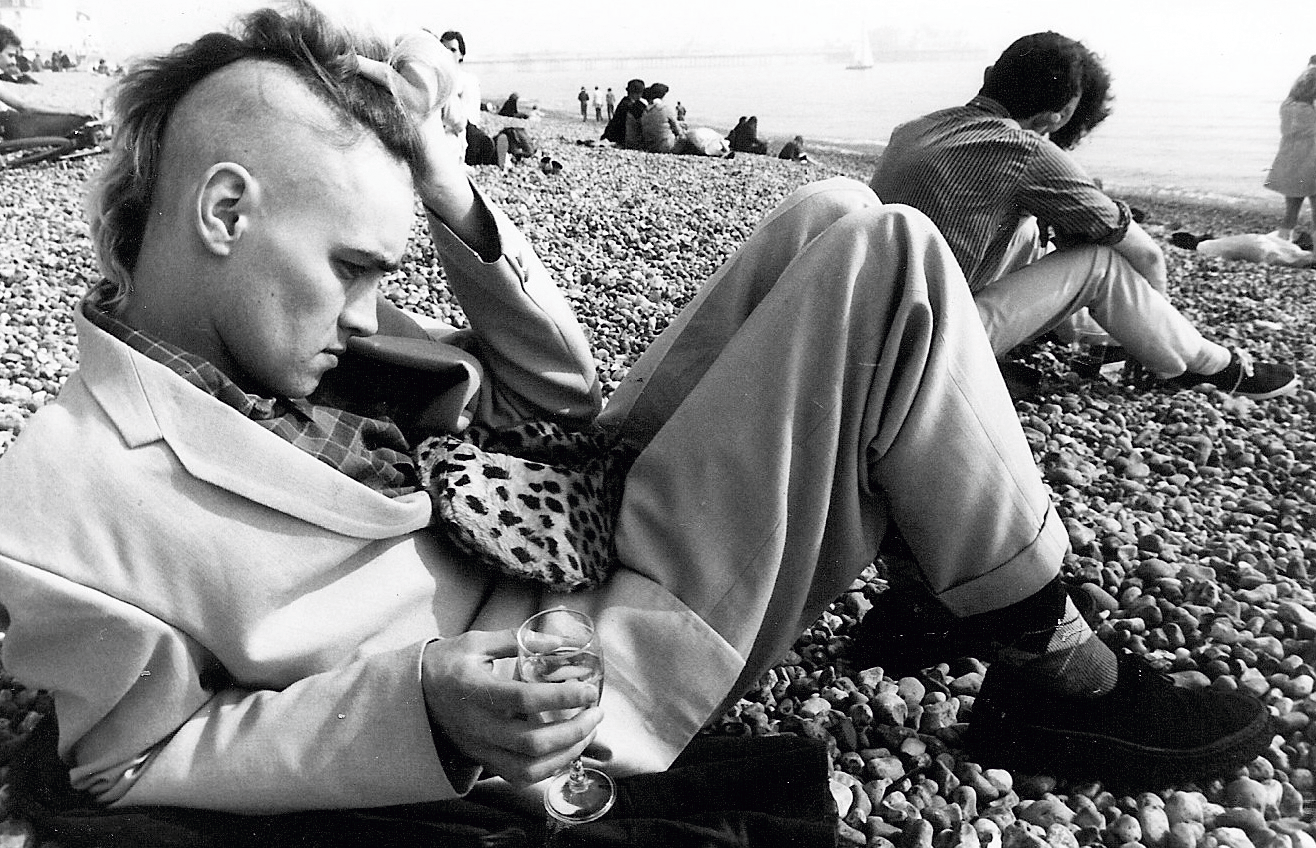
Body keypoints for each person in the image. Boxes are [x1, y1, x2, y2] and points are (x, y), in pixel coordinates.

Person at [0, 5, 1273, 836]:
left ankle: (966, 561)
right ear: (224, 211)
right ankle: (1055, 664)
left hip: (569, 501)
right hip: (583, 634)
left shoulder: (278, 331)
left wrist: (448, 193)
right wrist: (419, 708)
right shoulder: (62, 497)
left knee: (825, 217)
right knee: (887, 254)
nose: (369, 304)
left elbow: (558, 396)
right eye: (352, 264)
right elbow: (125, 760)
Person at [869, 31, 1299, 401]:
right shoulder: (1027, 150)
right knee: (1101, 261)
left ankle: (1103, 339)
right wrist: (1159, 318)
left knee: (1023, 229)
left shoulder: (914, 129)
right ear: (1057, 117)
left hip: (877, 327)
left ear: (989, 77)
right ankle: (1206, 364)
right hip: (929, 347)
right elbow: (1147, 256)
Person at [1264, 67, 1316, 242]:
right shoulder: (1311, 111)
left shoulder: (1287, 106)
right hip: (1311, 165)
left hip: (1290, 164)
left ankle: (1281, 245)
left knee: (1291, 213)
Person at [638, 82, 682, 153]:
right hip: (666, 145)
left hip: (650, 146)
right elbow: (678, 131)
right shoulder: (666, 108)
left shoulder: (646, 110)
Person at [600, 78, 642, 147]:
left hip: (611, 135)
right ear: (638, 93)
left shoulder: (624, 102)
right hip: (620, 138)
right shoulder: (632, 106)